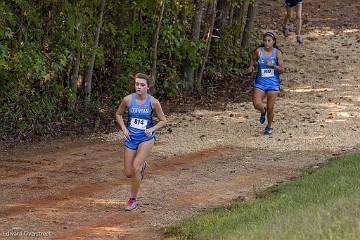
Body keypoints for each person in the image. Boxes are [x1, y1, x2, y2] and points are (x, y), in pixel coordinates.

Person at [115, 73, 167, 211]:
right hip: (131, 137)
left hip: (146, 138)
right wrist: (124, 129)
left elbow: (163, 121)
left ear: (147, 87)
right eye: (137, 84)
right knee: (128, 173)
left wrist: (152, 129)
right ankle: (142, 167)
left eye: (142, 84)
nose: (139, 86)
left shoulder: (153, 102)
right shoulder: (127, 100)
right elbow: (118, 114)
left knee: (135, 167)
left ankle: (132, 199)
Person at [246, 32, 285, 135]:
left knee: (270, 108)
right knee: (256, 104)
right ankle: (263, 110)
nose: (267, 43)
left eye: (269, 41)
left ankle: (269, 126)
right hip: (260, 83)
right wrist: (251, 66)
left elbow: (282, 70)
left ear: (273, 42)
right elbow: (253, 59)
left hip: (273, 84)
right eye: (265, 40)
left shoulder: (277, 53)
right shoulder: (259, 51)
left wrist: (272, 66)